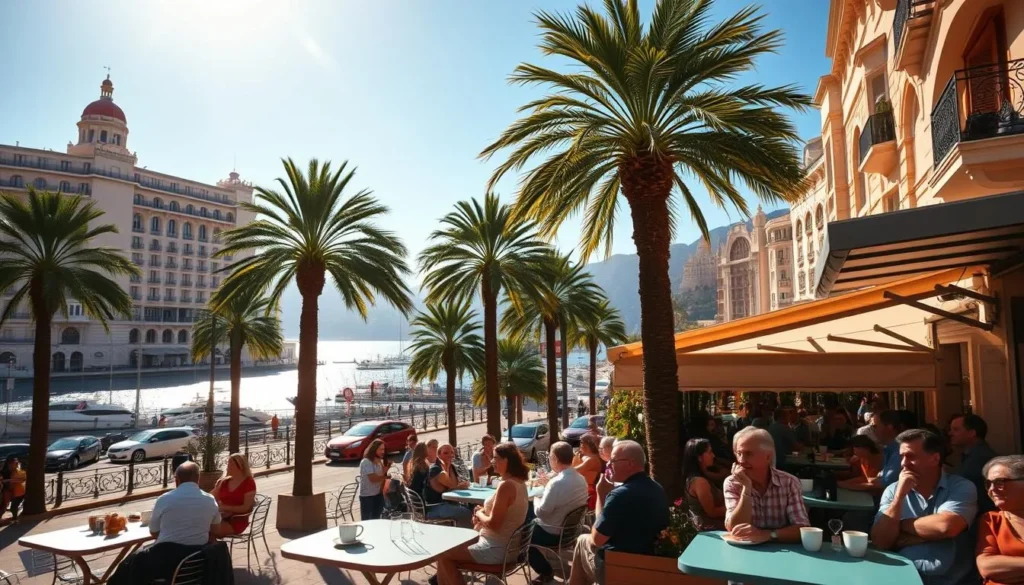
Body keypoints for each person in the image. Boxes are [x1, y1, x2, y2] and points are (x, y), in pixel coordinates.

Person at [871, 428, 978, 585]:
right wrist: (899, 497)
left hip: (951, 580)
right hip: (901, 578)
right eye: (902, 457)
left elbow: (945, 527)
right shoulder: (893, 490)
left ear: (935, 459)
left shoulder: (961, 487)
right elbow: (880, 541)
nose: (903, 463)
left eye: (911, 456)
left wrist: (899, 526)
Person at [569, 440, 668, 585]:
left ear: (630, 463)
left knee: (582, 541)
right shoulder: (657, 488)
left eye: (613, 460)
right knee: (584, 539)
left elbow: (597, 539)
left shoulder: (620, 495)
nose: (608, 464)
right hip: (647, 564)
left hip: (617, 568)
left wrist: (601, 494)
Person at [435, 442, 531, 585]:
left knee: (443, 554)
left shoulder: (507, 486)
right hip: (507, 547)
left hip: (495, 549)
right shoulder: (519, 482)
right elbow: (506, 515)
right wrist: (483, 514)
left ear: (507, 460)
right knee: (446, 554)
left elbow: (494, 524)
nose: (492, 461)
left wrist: (480, 513)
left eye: (495, 458)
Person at [109, 462, 221, 585]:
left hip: (165, 565)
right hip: (196, 564)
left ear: (177, 480)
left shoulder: (164, 499)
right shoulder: (210, 500)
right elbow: (215, 530)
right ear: (198, 479)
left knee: (130, 566)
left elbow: (154, 532)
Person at [723, 427, 809, 545]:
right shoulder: (732, 483)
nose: (741, 460)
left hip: (782, 551)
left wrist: (768, 535)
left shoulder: (789, 482)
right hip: (744, 550)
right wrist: (746, 489)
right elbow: (735, 528)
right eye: (739, 454)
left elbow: (802, 529)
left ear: (768, 457)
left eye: (748, 454)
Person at [529, 442, 589, 584]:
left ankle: (545, 572)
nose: (549, 459)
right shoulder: (581, 479)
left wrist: (535, 499)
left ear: (555, 458)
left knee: (521, 535)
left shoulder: (557, 482)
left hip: (553, 533)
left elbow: (541, 513)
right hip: (570, 531)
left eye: (550, 456)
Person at [977, 455, 1024, 584]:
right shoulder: (991, 520)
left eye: (1000, 482)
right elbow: (986, 567)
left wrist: (1009, 569)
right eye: (988, 484)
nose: (992, 489)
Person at [949, 413, 998, 513]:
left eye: (956, 429)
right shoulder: (969, 456)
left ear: (972, 433)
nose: (950, 433)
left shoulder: (981, 458)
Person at [423, 443, 473, 527]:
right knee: (466, 513)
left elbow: (455, 486)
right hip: (435, 507)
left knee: (474, 508)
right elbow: (452, 486)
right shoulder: (435, 469)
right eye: (446, 453)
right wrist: (460, 486)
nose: (450, 455)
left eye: (452, 452)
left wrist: (449, 467)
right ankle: (468, 534)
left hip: (449, 503)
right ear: (438, 454)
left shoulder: (451, 467)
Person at [682, 438, 725, 531]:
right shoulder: (699, 482)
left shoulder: (700, 476)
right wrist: (734, 508)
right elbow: (712, 512)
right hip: (711, 529)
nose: (713, 455)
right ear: (699, 457)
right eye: (709, 452)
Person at [211, 453, 257, 537]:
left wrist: (225, 508)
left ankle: (214, 545)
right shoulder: (224, 482)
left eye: (231, 465)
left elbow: (246, 508)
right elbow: (210, 498)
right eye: (228, 464)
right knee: (199, 526)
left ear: (240, 466)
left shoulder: (248, 483)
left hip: (236, 520)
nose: (227, 467)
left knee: (208, 530)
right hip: (220, 516)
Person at [871, 409, 906, 489]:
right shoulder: (890, 449)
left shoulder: (899, 451)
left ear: (889, 427)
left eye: (875, 426)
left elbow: (885, 484)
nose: (873, 430)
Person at [359, 439, 388, 520]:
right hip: (367, 496)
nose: (383, 452)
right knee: (367, 520)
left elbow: (381, 476)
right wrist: (386, 477)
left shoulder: (379, 461)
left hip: (378, 494)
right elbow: (373, 479)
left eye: (383, 449)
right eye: (381, 449)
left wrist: (386, 469)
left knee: (377, 519)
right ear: (374, 449)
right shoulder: (366, 462)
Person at [574, 433, 605, 510]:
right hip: (584, 491)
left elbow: (573, 472)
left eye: (581, 442)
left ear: (587, 445)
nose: (580, 445)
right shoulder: (588, 457)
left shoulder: (592, 460)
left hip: (589, 494)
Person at [0, 456, 26, 522]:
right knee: (4, 505)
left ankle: (14, 518)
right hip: (6, 491)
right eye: (15, 463)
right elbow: (2, 481)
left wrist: (11, 480)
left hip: (15, 491)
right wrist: (10, 480)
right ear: (9, 464)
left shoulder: (17, 471)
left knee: (10, 506)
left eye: (17, 463)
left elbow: (22, 479)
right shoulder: (4, 472)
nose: (17, 464)